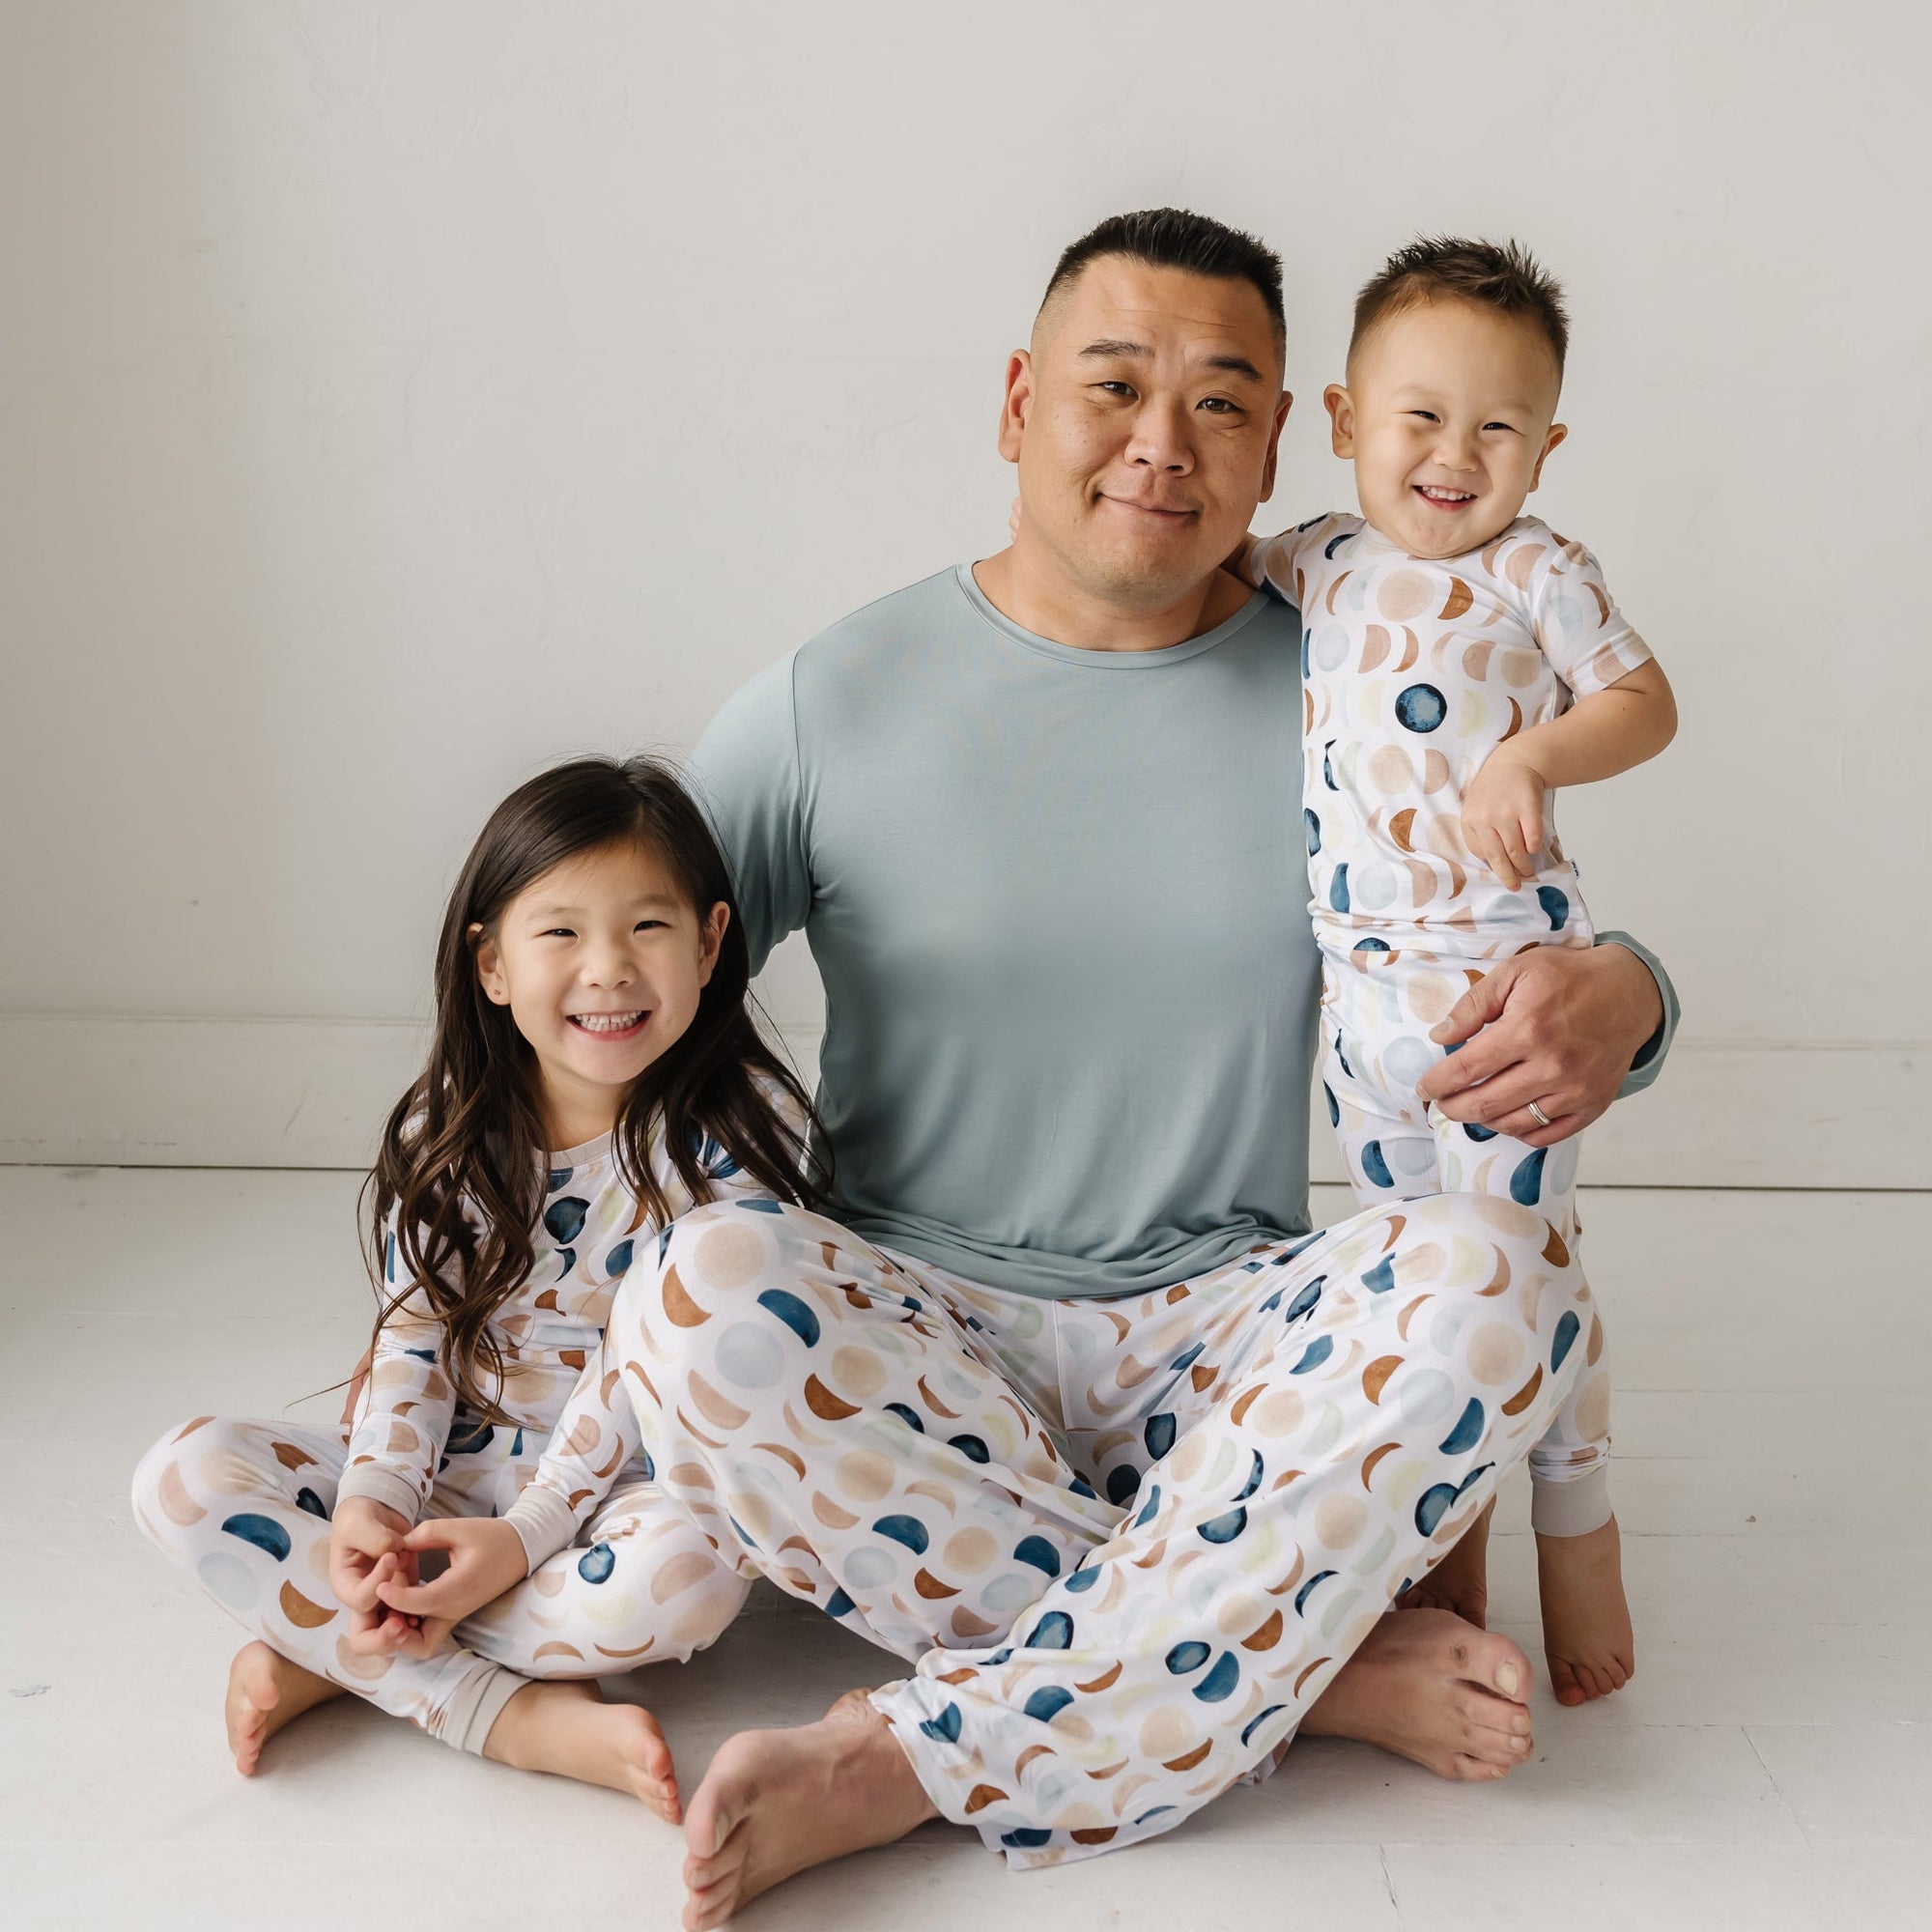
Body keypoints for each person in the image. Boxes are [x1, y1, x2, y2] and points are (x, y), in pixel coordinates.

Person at [579, 208, 1679, 1930]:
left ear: (1286, 442)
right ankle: (1303, 1667)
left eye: (1220, 403)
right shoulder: (833, 698)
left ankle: (914, 1756)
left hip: (1225, 1351)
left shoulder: (1345, 663)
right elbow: (598, 982)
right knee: (691, 1296)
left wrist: (1634, 994)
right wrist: (444, 1366)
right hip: (916, 1349)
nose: (1163, 443)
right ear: (1019, 402)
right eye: (1113, 386)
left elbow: (1508, 916)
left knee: (1498, 1281)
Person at [131, 756, 823, 1809]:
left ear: (708, 942)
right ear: (492, 963)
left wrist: (526, 1535)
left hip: (623, 1492)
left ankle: (336, 1651)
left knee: (687, 1581)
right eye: (560, 932)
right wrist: (372, 1506)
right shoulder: (447, 1132)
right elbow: (413, 1344)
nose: (608, 969)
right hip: (446, 1481)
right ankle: (503, 1712)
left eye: (647, 926)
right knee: (180, 1477)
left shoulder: (743, 1131)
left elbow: (646, 1377)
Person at [1227, 235, 1677, 1705]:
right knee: (1414, 1300)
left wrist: (1533, 754)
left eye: (1497, 426)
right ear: (1343, 419)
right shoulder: (1315, 557)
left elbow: (1644, 701)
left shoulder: (1536, 568)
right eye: (1418, 416)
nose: (1453, 454)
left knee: (1525, 1277)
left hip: (1500, 1002)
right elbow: (1199, 564)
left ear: (1544, 450)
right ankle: (1449, 1537)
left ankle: (1578, 1522)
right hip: (1362, 1022)